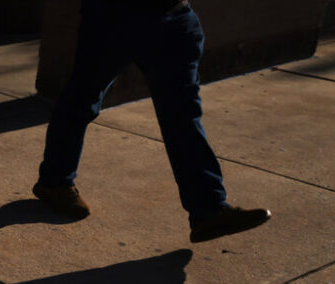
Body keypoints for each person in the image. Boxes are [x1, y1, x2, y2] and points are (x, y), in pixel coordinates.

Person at [34, 0, 270, 242]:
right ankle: (55, 182)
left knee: (182, 116)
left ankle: (209, 209)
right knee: (82, 99)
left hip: (171, 14)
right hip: (115, 15)